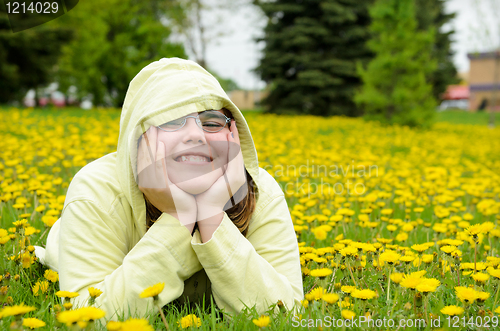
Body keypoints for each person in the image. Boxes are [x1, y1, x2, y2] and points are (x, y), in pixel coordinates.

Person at [35, 57, 303, 320]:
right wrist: (179, 217)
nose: (196, 134)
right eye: (171, 122)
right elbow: (90, 320)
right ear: (139, 140)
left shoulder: (260, 191)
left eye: (211, 122)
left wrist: (211, 216)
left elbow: (288, 316)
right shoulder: (95, 191)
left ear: (233, 137)